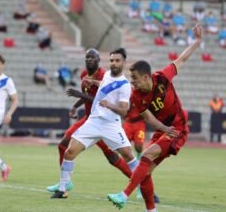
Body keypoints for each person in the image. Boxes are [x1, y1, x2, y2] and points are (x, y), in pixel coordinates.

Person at [108, 24, 203, 212]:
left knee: (146, 155)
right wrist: (163, 128)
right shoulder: (136, 95)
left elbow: (182, 59)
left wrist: (197, 41)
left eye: (134, 78)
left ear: (145, 77)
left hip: (178, 128)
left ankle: (124, 194)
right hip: (163, 129)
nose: (132, 82)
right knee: (146, 171)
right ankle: (151, 210)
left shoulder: (162, 77)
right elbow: (149, 118)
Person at [50, 48, 139, 199]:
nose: (114, 63)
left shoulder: (124, 84)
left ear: (123, 62)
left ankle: (144, 187)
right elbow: (102, 85)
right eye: (111, 60)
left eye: (117, 60)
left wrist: (108, 105)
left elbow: (124, 111)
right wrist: (91, 83)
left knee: (128, 156)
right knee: (69, 151)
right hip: (92, 122)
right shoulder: (105, 76)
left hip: (111, 125)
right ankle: (63, 188)